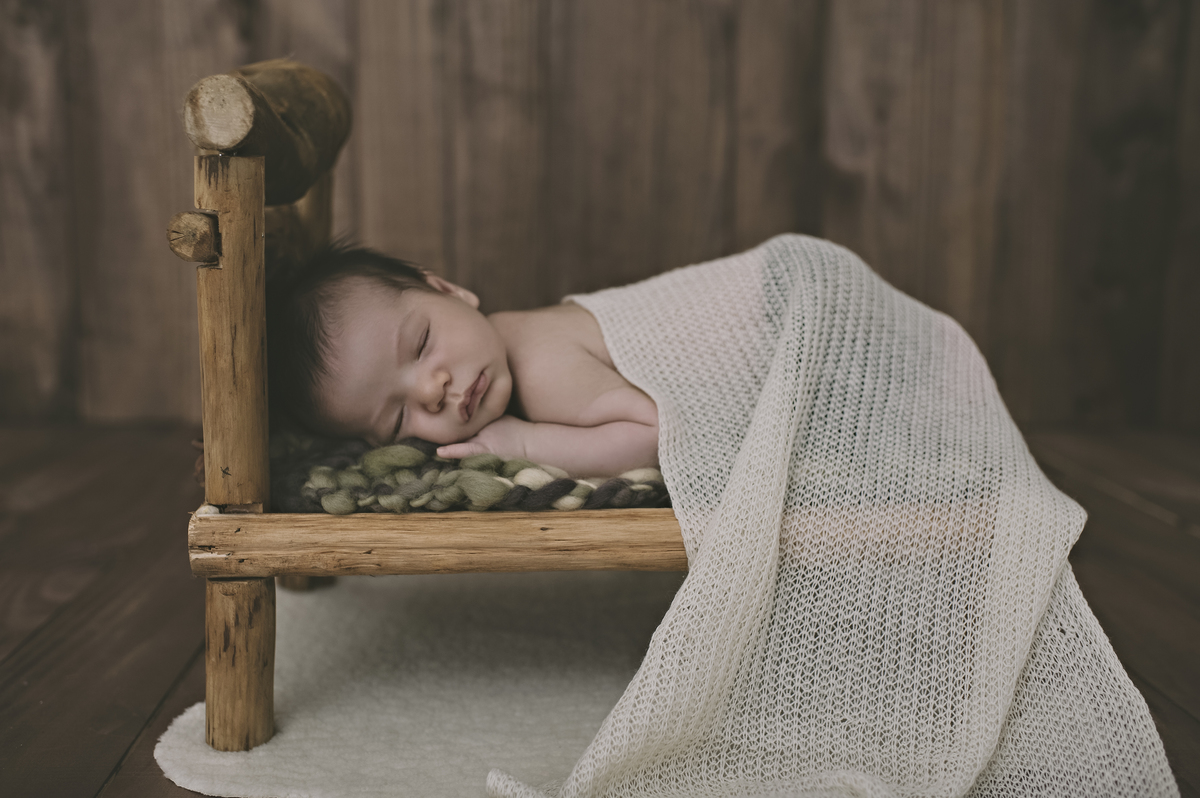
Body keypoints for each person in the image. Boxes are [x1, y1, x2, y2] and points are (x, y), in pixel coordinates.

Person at [266, 244, 659, 477]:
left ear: (448, 290)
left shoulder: (540, 366)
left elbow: (656, 435)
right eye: (399, 418)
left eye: (421, 344)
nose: (430, 390)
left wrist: (526, 443)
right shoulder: (506, 342)